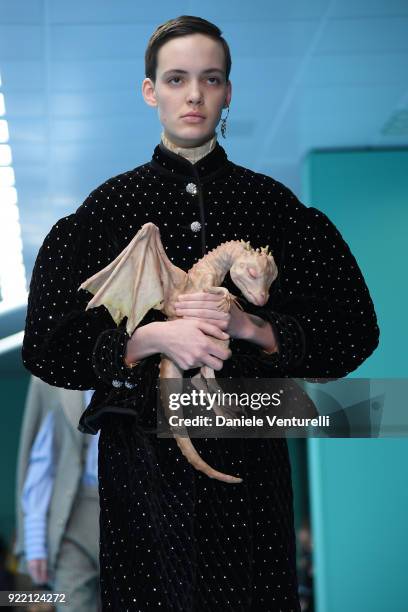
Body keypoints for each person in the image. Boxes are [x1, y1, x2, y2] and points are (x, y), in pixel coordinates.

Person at [22, 15, 379, 611]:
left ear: (228, 91)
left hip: (252, 461)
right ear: (150, 90)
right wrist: (152, 337)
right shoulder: (106, 212)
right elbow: (46, 346)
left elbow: (352, 333)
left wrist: (250, 326)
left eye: (210, 79)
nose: (194, 95)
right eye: (177, 79)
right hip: (140, 473)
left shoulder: (276, 210)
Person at [14, 376, 101, 611]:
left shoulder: (174, 359)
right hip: (72, 518)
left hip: (142, 517)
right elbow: (41, 462)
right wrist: (33, 541)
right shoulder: (49, 370)